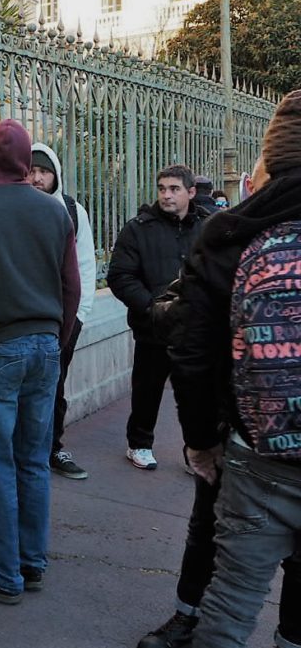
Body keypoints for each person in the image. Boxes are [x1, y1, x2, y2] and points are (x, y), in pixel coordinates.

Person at [139, 150, 301, 648]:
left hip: (245, 438)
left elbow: (190, 344)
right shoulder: (229, 232)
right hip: (241, 432)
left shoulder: (235, 234)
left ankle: (191, 621)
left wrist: (201, 440)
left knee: (230, 589)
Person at [0, 121, 79, 604]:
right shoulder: (54, 211)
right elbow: (72, 285)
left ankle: (2, 575)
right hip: (46, 345)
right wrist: (57, 332)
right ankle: (31, 563)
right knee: (33, 461)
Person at [107, 164, 209, 470]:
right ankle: (139, 444)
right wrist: (153, 307)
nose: (166, 195)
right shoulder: (138, 229)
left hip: (196, 330)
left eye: (174, 189)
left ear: (191, 192)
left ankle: (196, 451)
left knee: (196, 397)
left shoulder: (208, 226)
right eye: (162, 188)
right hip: (154, 329)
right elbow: (120, 276)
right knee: (147, 391)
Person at [29, 142, 96, 480]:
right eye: (32, 171)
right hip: (24, 320)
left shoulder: (72, 211)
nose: (37, 178)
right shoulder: (16, 208)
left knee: (55, 388)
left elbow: (84, 266)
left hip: (63, 321)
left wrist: (78, 316)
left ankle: (52, 448)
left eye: (44, 171)